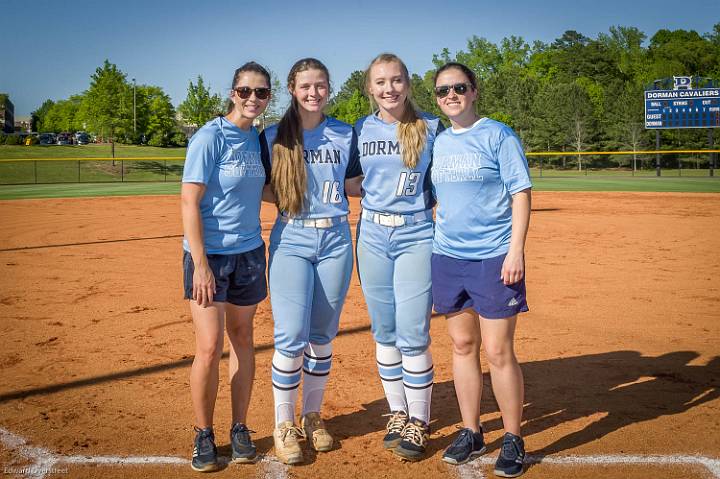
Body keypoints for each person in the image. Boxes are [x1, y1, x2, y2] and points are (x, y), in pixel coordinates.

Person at [431, 62, 531, 478]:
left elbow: (521, 193)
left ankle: (512, 438)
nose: (450, 95)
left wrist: (516, 251)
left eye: (458, 87)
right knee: (461, 346)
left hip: (493, 257)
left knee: (498, 350)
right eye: (442, 91)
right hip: (448, 256)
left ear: (473, 91)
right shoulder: (438, 141)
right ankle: (472, 430)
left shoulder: (498, 135)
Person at [259, 58, 362, 465]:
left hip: (336, 237)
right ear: (292, 88)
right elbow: (261, 187)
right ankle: (284, 423)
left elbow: (352, 184)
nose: (313, 92)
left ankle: (312, 415)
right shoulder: (272, 137)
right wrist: (288, 198)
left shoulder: (344, 132)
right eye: (306, 86)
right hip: (293, 237)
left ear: (328, 88)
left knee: (321, 336)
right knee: (290, 336)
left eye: (320, 85)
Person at [180, 62, 272, 472]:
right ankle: (203, 432)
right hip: (210, 257)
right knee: (208, 346)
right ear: (233, 92)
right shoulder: (210, 136)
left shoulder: (259, 139)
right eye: (245, 91)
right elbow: (189, 203)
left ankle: (239, 427)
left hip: (249, 252)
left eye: (261, 92)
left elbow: (266, 188)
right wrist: (200, 264)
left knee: (243, 340)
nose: (252, 99)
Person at [352, 53, 443, 462]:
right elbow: (352, 180)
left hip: (416, 232)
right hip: (371, 233)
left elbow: (444, 182)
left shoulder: (432, 128)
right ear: (370, 88)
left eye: (396, 80)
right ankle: (397, 412)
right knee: (384, 330)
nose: (389, 88)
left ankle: (419, 420)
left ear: (408, 83)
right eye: (381, 82)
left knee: (413, 331)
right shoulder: (359, 129)